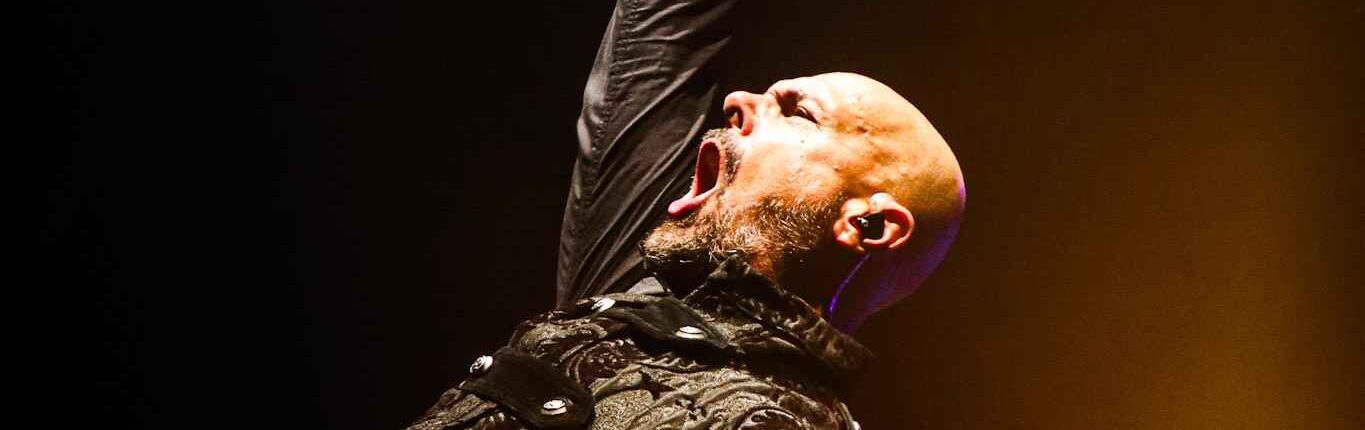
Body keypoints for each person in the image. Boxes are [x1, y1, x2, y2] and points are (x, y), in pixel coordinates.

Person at [407, 0, 964, 428]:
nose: (738, 100)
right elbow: (659, 39)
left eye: (799, 114)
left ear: (869, 224)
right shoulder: (645, 302)